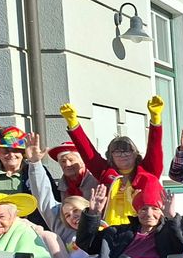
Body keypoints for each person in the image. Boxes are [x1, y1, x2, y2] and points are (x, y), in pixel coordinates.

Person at [60, 97, 165, 227]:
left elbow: (155, 147)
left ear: (135, 154)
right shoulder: (105, 172)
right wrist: (73, 123)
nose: (123, 155)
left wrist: (155, 119)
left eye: (127, 151)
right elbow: (87, 153)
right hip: (110, 231)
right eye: (117, 152)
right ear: (111, 156)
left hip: (140, 230)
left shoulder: (148, 171)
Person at [0, 126, 58, 229]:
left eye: (16, 150)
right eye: (6, 151)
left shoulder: (37, 171)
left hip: (32, 229)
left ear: (23, 153)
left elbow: (53, 199)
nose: (11, 154)